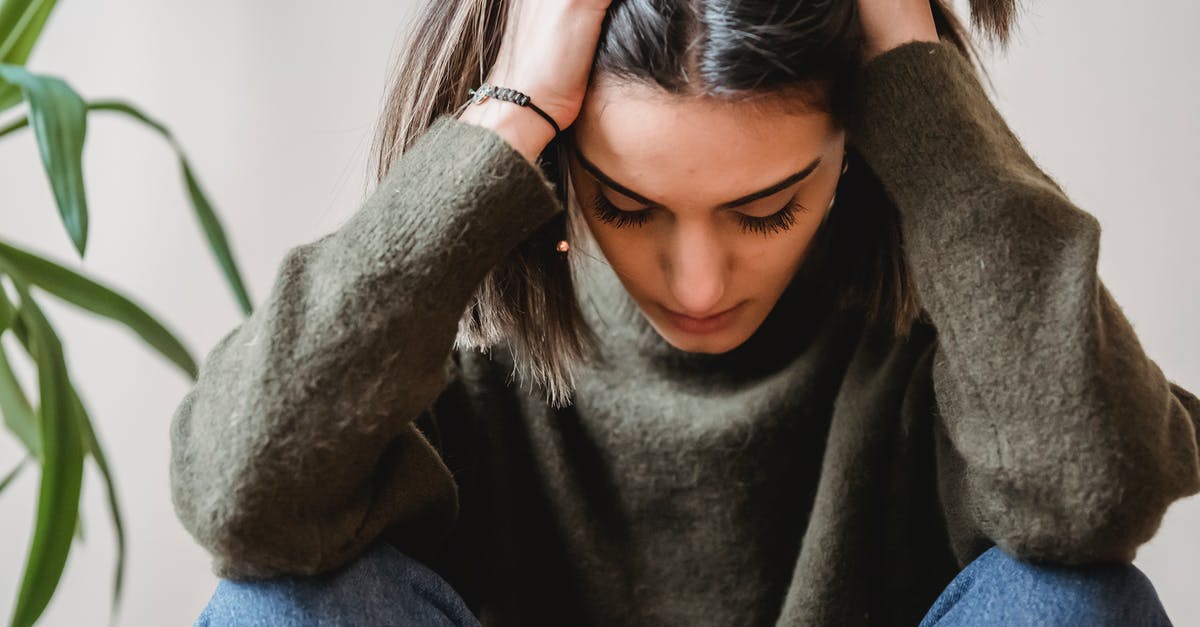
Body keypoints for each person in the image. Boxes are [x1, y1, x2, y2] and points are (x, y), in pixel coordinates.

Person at [170, 0, 1199, 624]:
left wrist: (916, 79)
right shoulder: (449, 353)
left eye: (767, 209)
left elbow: (1090, 493)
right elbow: (241, 496)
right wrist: (514, 102)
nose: (697, 284)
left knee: (1079, 601)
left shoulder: (966, 356)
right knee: (278, 605)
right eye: (626, 204)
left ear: (854, 153)